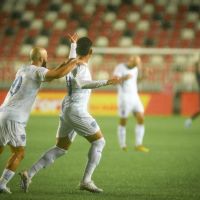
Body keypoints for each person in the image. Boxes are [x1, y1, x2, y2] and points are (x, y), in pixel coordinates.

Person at [19, 36, 120, 193]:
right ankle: (86, 181)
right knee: (99, 142)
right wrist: (107, 81)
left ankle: (29, 173)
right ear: (91, 52)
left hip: (67, 108)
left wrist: (73, 44)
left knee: (60, 148)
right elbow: (83, 84)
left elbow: (72, 59)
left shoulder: (72, 63)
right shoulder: (82, 67)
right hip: (76, 110)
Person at [0, 35, 80, 194]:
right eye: (46, 57)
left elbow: (55, 70)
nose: (47, 59)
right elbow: (57, 74)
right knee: (19, 153)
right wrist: (76, 61)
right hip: (15, 119)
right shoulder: (37, 71)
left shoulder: (23, 69)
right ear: (41, 58)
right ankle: (2, 184)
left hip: (3, 113)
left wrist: (72, 50)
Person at [113, 55, 149, 153]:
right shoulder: (120, 68)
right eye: (138, 62)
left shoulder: (135, 69)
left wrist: (144, 76)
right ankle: (122, 145)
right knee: (123, 121)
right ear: (131, 61)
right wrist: (124, 78)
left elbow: (135, 81)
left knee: (141, 118)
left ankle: (138, 144)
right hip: (124, 98)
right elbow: (114, 81)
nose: (139, 64)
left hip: (135, 97)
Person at [185, 61, 200, 128]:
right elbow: (196, 72)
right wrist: (196, 64)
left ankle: (189, 120)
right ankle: (189, 120)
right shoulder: (198, 76)